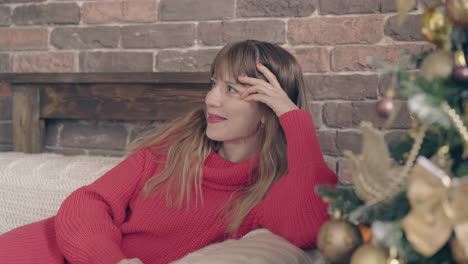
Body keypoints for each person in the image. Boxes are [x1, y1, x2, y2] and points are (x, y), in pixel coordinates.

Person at [0, 40, 337, 264]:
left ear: (268, 111)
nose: (211, 99)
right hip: (37, 252)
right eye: (213, 84)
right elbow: (87, 203)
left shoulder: (269, 192)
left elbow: (309, 229)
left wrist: (294, 119)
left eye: (231, 89)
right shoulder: (169, 151)